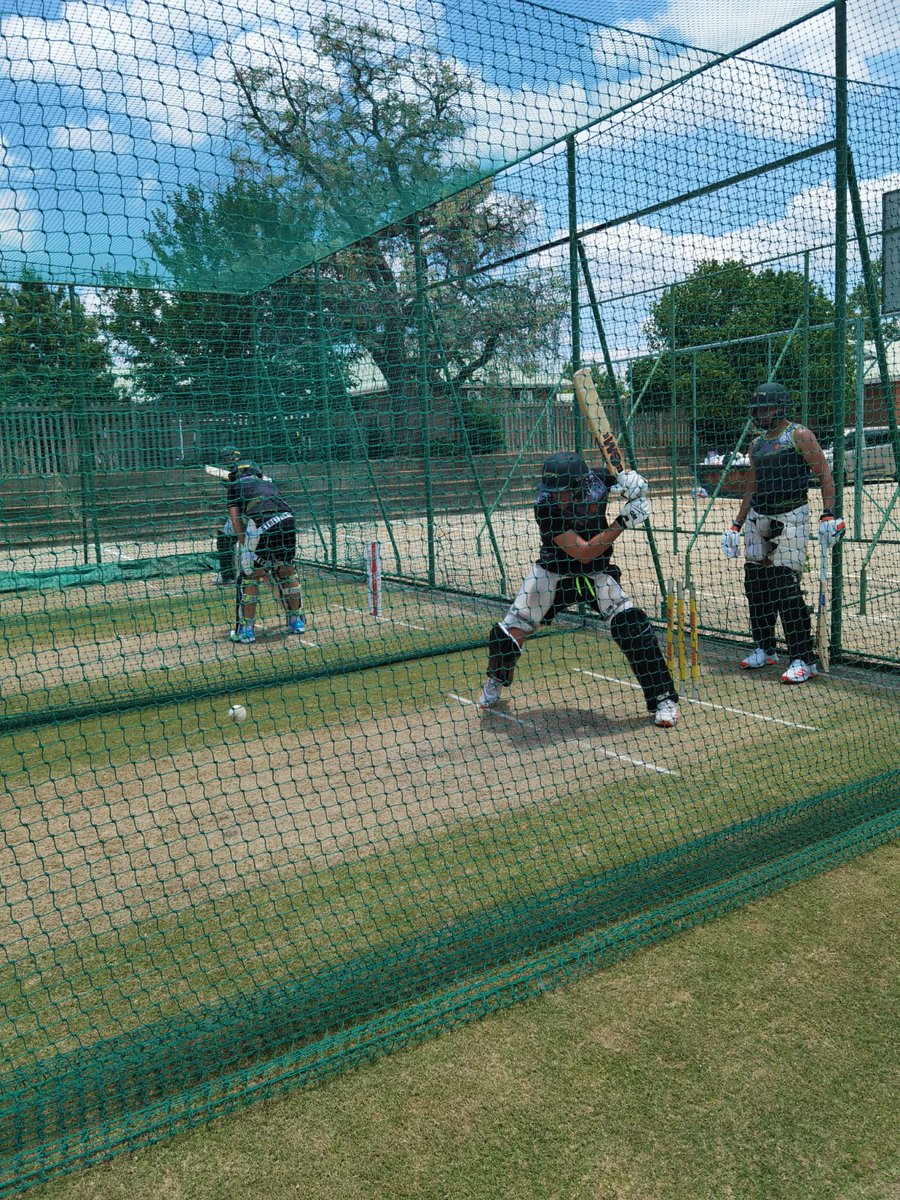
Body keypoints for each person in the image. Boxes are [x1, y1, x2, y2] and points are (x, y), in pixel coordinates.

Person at [477, 451, 680, 728]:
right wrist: (622, 522)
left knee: (633, 627)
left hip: (595, 573)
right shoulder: (545, 506)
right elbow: (583, 552)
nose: (556, 496)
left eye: (562, 490)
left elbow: (622, 476)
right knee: (510, 633)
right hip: (554, 572)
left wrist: (632, 481)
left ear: (578, 484)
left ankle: (663, 699)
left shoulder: (596, 479)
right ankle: (496, 680)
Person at [720, 381, 845, 683]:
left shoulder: (799, 435)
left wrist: (828, 513)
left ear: (778, 408)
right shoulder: (756, 444)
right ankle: (765, 647)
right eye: (756, 409)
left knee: (785, 587)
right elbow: (751, 487)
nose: (758, 414)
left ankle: (803, 658)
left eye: (763, 408)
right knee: (756, 584)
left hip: (791, 515)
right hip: (758, 517)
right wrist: (735, 525)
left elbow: (824, 474)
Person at [226, 458, 306, 644]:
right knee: (286, 572)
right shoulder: (268, 483)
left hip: (261, 522)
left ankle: (245, 631)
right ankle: (297, 621)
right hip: (287, 520)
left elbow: (235, 519)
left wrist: (244, 543)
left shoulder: (235, 486)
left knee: (249, 576)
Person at [214, 445, 241, 586]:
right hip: (244, 511)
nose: (225, 461)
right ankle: (230, 576)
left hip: (249, 511)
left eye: (227, 458)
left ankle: (229, 577)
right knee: (226, 539)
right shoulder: (230, 472)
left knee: (225, 540)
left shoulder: (241, 469)